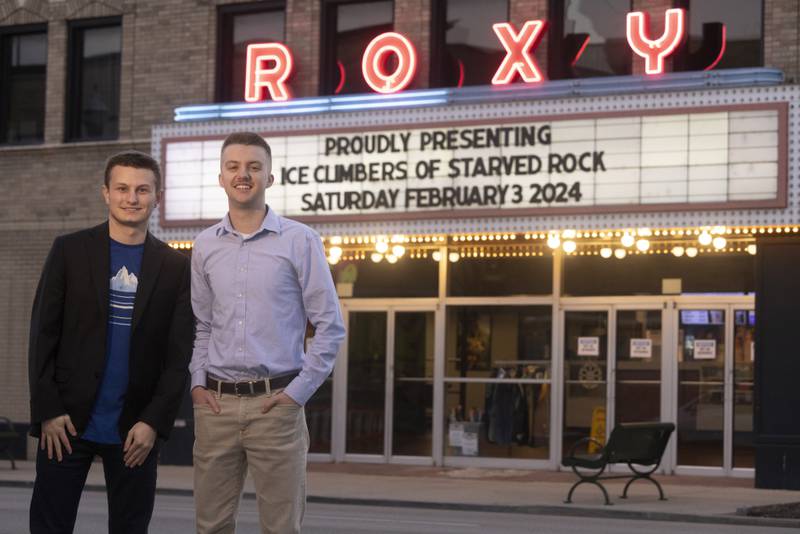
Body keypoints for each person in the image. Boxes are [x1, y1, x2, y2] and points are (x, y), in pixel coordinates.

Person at [28, 151, 194, 534]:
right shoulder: (69, 251)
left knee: (130, 528)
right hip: (65, 425)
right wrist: (48, 410)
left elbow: (178, 355)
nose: (131, 198)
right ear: (106, 193)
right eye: (122, 188)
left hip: (135, 430)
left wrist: (154, 422)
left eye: (141, 190)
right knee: (49, 526)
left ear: (158, 197)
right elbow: (42, 335)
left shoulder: (175, 266)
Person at [189, 132, 345, 534]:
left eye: (254, 167)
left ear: (270, 177)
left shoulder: (300, 241)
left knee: (280, 528)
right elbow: (204, 325)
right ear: (221, 178)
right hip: (216, 408)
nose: (244, 175)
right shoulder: (204, 245)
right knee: (210, 527)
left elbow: (330, 326)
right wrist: (197, 385)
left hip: (276, 407)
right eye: (234, 167)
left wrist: (297, 395)